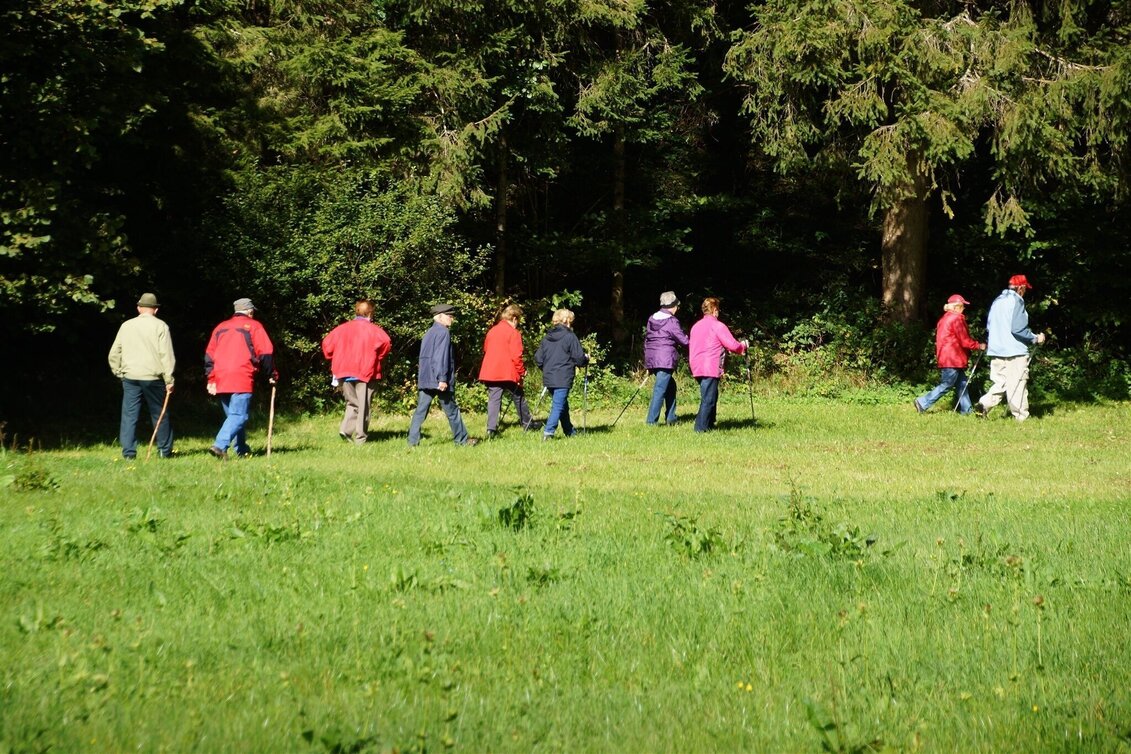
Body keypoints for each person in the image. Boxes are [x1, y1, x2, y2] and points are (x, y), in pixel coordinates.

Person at [204, 297, 277, 458]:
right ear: (250, 311)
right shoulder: (254, 326)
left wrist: (211, 378)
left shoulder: (220, 327)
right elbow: (265, 352)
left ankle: (242, 449)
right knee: (239, 416)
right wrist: (272, 373)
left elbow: (209, 355)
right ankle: (219, 445)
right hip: (241, 375)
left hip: (221, 376)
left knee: (234, 416)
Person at [107, 292, 176, 459]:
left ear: (139, 308)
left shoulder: (126, 326)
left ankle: (129, 453)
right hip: (153, 377)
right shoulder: (161, 326)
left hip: (130, 377)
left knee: (129, 415)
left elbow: (114, 352)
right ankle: (164, 451)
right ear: (155, 310)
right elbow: (166, 354)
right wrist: (169, 379)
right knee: (159, 413)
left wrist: (118, 371)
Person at [975, 274, 1046, 421]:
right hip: (1015, 350)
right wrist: (1035, 338)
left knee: (1001, 382)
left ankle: (984, 404)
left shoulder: (997, 301)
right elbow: (1018, 329)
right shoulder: (1017, 301)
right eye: (1025, 288)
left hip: (996, 348)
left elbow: (989, 326)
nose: (1025, 292)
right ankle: (1021, 417)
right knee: (1017, 384)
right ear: (1020, 288)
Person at [321, 299, 393, 444]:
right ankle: (360, 438)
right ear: (370, 313)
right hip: (365, 371)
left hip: (343, 370)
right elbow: (386, 343)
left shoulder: (341, 328)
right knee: (363, 405)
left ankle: (346, 429)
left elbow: (327, 345)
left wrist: (333, 357)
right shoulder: (374, 330)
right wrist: (377, 358)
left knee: (352, 402)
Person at [407, 304, 477, 446]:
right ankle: (462, 440)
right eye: (449, 316)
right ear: (439, 317)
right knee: (452, 411)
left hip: (426, 378)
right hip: (439, 379)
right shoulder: (443, 333)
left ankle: (412, 441)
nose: (452, 319)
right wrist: (442, 379)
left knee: (420, 411)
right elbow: (441, 357)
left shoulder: (429, 332)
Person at [914, 294, 986, 415]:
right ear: (956, 307)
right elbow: (964, 340)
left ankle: (966, 410)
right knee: (947, 384)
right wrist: (979, 346)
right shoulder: (957, 319)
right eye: (962, 306)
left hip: (946, 356)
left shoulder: (944, 319)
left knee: (962, 384)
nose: (964, 309)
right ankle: (922, 402)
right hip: (953, 358)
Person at [688, 297, 747, 433]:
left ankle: (709, 423)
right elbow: (732, 345)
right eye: (718, 310)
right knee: (708, 398)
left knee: (711, 395)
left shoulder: (696, 326)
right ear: (715, 310)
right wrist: (742, 346)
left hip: (696, 365)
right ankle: (700, 428)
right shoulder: (717, 326)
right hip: (710, 365)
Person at [479, 303, 537, 437]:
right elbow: (516, 356)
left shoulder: (492, 331)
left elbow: (486, 349)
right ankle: (527, 423)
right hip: (507, 372)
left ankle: (491, 429)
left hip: (491, 371)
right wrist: (522, 372)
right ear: (515, 318)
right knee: (519, 396)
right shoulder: (514, 333)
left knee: (494, 399)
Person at [534, 308, 589, 440]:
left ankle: (569, 431)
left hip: (549, 376)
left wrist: (546, 368)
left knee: (562, 404)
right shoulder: (570, 336)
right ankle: (548, 432)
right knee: (558, 405)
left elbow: (538, 358)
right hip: (563, 376)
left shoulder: (547, 337)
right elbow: (579, 358)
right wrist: (586, 359)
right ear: (568, 321)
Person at [643, 291, 689, 425]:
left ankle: (671, 418)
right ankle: (651, 422)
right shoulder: (672, 321)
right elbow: (683, 341)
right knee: (659, 390)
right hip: (665, 359)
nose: (677, 309)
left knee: (671, 386)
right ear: (673, 306)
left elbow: (647, 339)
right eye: (677, 306)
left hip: (653, 357)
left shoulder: (651, 318)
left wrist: (648, 362)